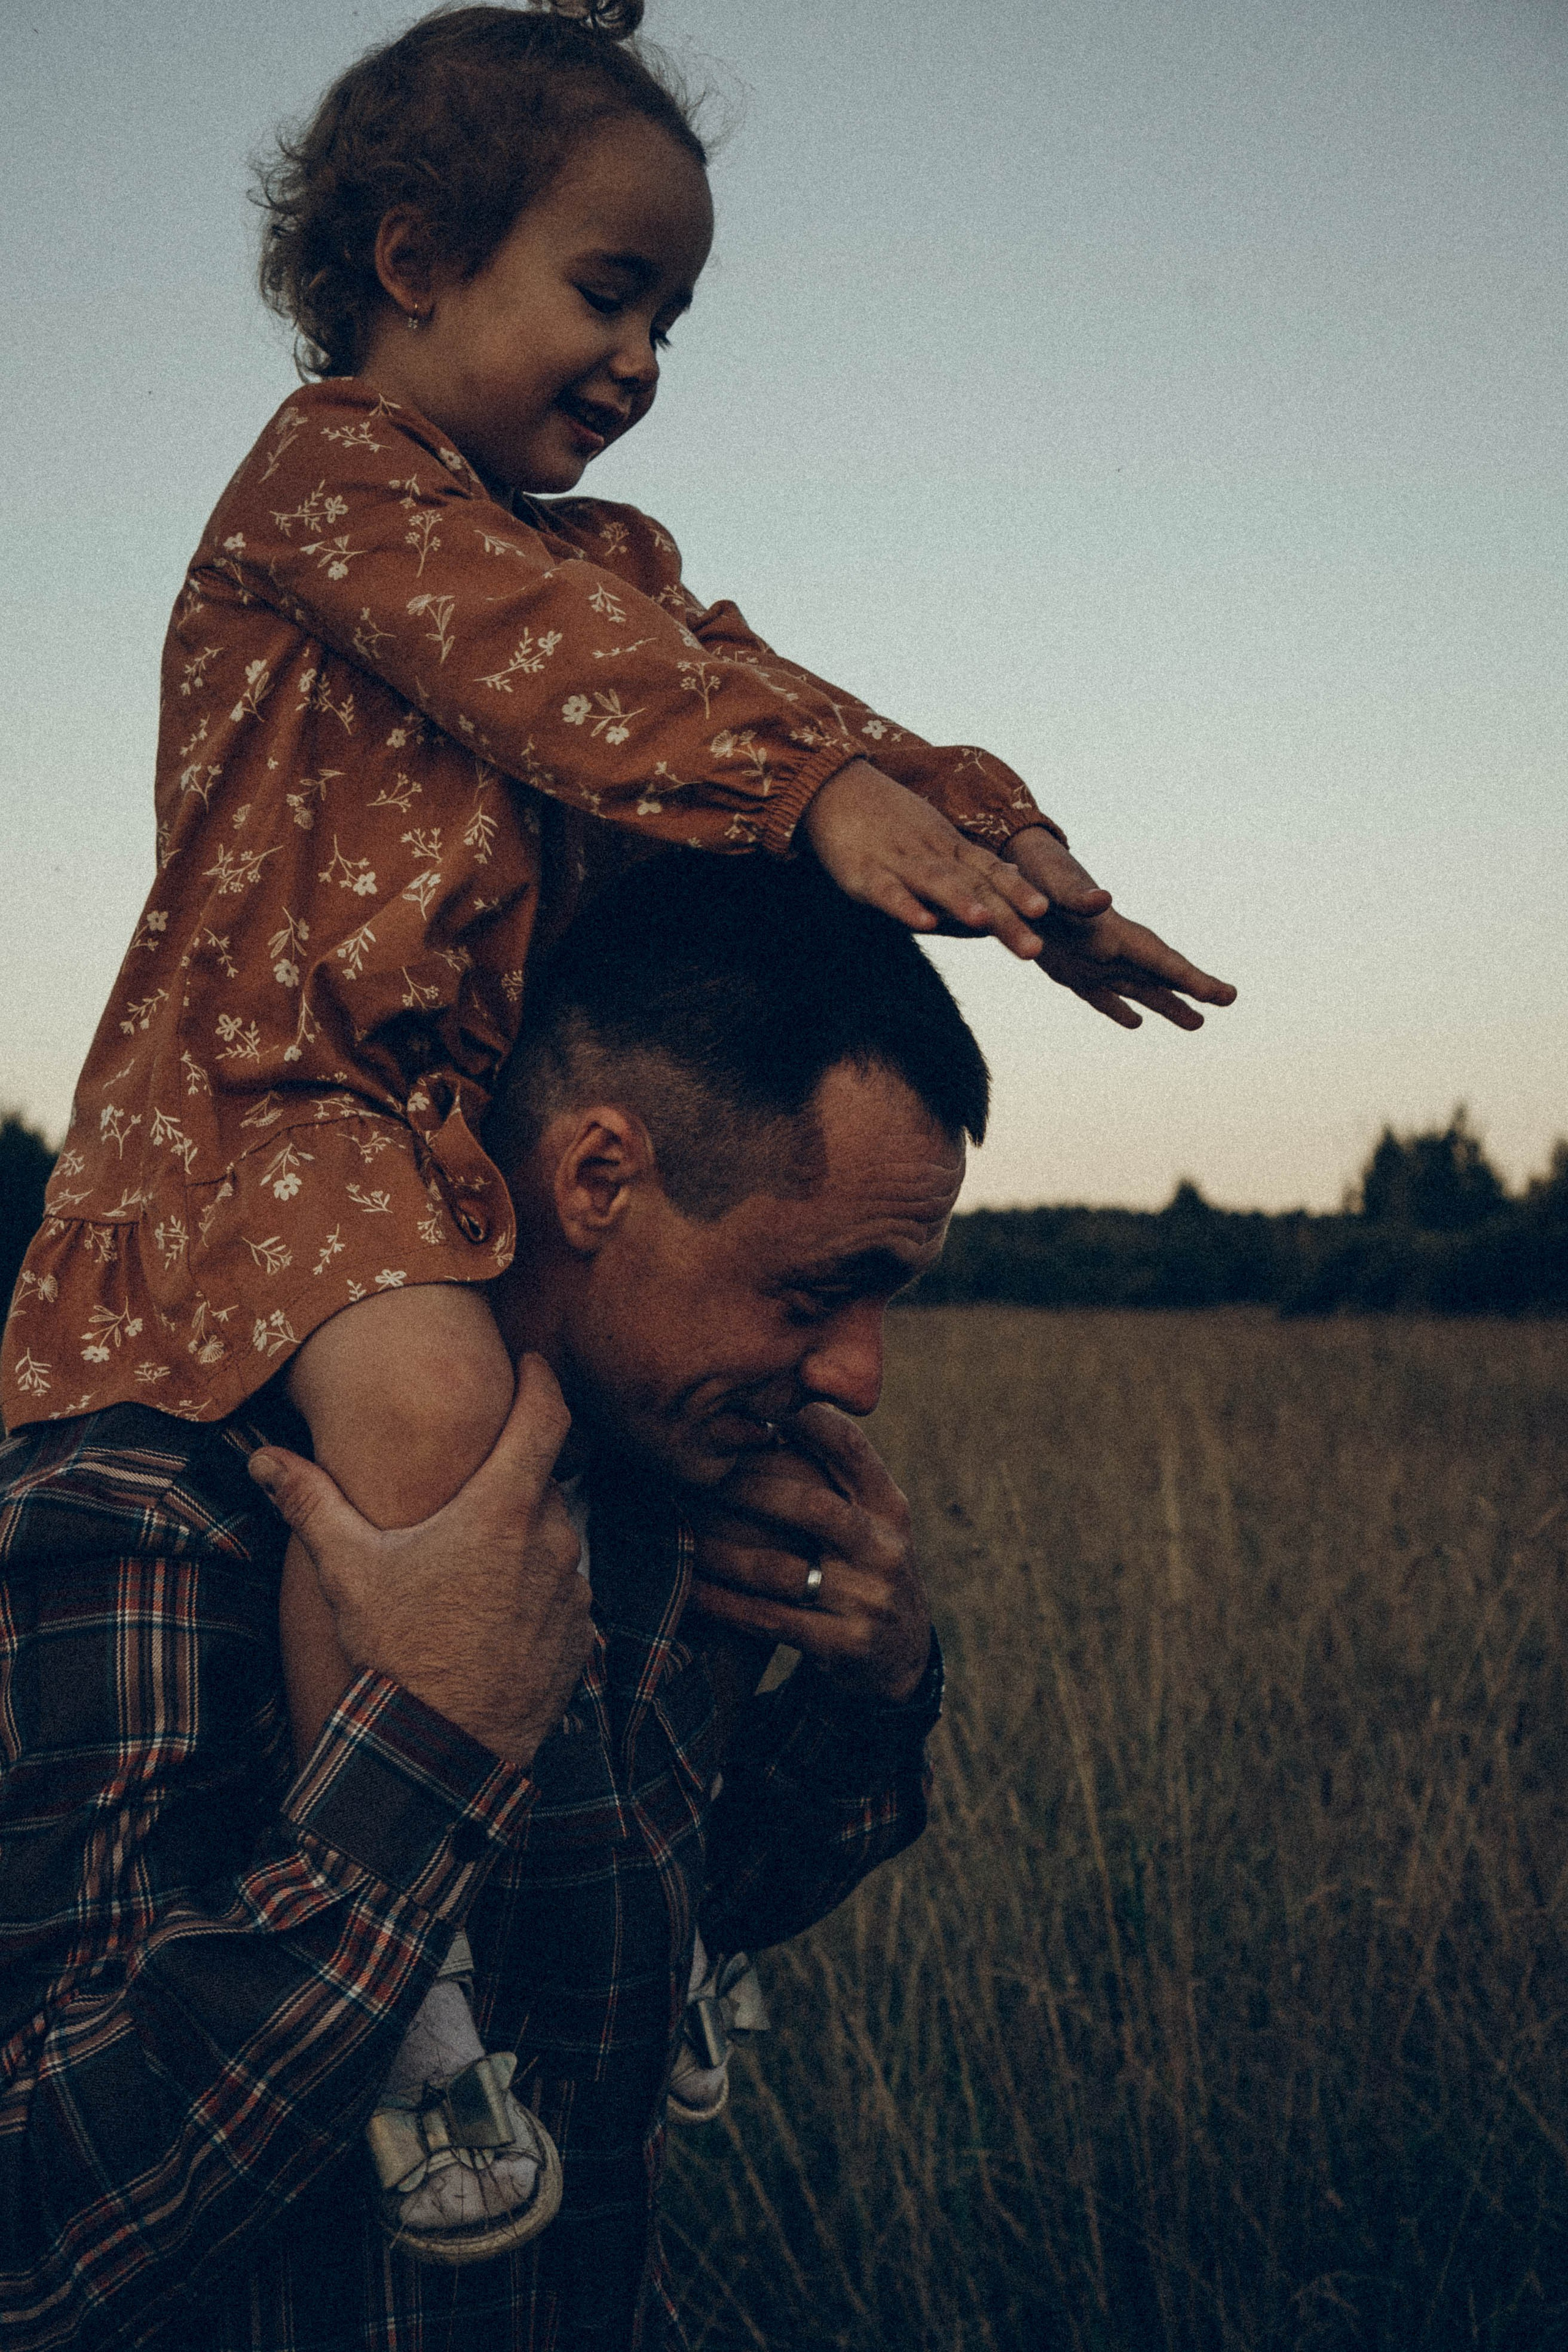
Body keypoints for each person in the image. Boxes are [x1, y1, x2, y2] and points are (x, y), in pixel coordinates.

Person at [0, 0, 1233, 2264]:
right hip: (278, 1110)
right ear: (408, 259)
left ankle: (642, 1986)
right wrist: (807, 798)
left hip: (428, 1141)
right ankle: (426, 2038)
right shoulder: (331, 484)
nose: (649, 352)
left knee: (589, 1484)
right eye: (609, 288)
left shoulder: (617, 561)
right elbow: (576, 682)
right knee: (446, 1431)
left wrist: (1000, 843)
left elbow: (767, 694)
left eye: (675, 308)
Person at [4, 854, 989, 2348]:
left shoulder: (651, 1502)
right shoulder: (157, 1515)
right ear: (599, 1178)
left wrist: (878, 1689)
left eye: (885, 1301)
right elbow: (41, 2231)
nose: (859, 1374)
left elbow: (658, 1939)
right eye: (813, 1292)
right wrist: (423, 1764)